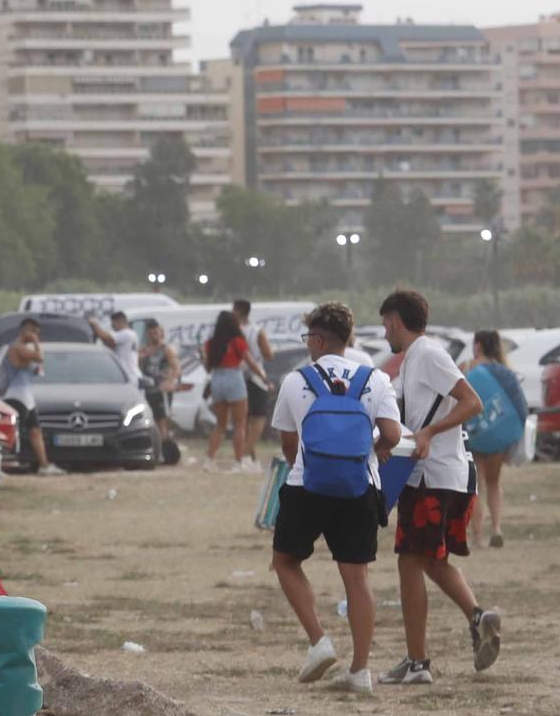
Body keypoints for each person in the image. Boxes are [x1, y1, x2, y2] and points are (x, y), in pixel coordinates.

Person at [268, 302, 403, 695]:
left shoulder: (297, 381)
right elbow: (392, 435)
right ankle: (360, 671)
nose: (307, 343)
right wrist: (372, 451)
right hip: (359, 487)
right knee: (357, 578)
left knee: (285, 562)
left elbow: (289, 444)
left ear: (320, 339)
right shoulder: (374, 379)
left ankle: (319, 641)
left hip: (305, 486)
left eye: (309, 336)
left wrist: (313, 464)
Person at [376, 289, 504, 686]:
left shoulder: (427, 355)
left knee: (409, 561)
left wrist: (430, 430)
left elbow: (472, 402)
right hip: (443, 475)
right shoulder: (413, 361)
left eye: (385, 326)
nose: (384, 335)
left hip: (434, 475)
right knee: (431, 560)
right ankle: (478, 617)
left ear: (397, 321)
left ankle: (417, 663)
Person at [462, 329, 529, 549]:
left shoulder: (467, 369)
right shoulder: (503, 372)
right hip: (499, 434)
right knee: (494, 482)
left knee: (476, 486)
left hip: (474, 434)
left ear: (477, 345)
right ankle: (497, 528)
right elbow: (519, 404)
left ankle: (477, 536)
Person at [0, 318, 63, 476]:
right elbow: (39, 358)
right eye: (33, 331)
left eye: (37, 333)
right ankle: (2, 463)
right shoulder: (17, 347)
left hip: (27, 397)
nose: (36, 335)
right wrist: (36, 342)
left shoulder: (26, 349)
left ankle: (44, 465)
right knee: (12, 432)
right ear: (24, 330)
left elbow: (38, 365)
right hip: (15, 396)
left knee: (35, 431)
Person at [202, 310, 263, 473]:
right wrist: (263, 378)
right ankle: (238, 462)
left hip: (217, 380)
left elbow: (207, 367)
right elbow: (250, 362)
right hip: (234, 378)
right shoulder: (237, 341)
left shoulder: (211, 343)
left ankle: (208, 460)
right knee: (240, 424)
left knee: (220, 424)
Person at [135, 319, 181, 464]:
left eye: (156, 332)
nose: (154, 335)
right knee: (151, 420)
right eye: (151, 332)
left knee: (162, 421)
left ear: (160, 332)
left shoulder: (165, 349)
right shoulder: (144, 350)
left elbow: (177, 367)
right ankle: (153, 449)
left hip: (160, 390)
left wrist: (169, 381)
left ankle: (164, 453)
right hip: (146, 390)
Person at [235, 299, 277, 443]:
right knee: (258, 417)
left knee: (242, 419)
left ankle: (246, 455)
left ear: (238, 311)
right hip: (255, 377)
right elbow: (268, 355)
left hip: (236, 376)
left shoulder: (233, 331)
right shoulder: (257, 331)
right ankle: (247, 453)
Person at [86, 310, 140, 384]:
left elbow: (107, 337)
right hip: (128, 374)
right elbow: (109, 343)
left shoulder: (126, 333)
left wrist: (94, 324)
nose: (112, 326)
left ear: (120, 322)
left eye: (113, 323)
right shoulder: (131, 334)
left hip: (128, 375)